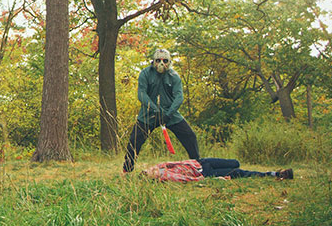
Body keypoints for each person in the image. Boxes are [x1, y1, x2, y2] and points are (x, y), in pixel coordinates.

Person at [122, 48, 200, 173]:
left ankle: (197, 167)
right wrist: (154, 109)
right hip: (148, 115)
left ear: (169, 62)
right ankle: (127, 170)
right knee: (134, 140)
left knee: (190, 136)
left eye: (165, 60)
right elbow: (141, 94)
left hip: (170, 114)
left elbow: (179, 97)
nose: (161, 63)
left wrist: (168, 114)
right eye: (158, 60)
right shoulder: (145, 73)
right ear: (153, 61)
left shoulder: (174, 76)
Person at [141, 158, 294, 182]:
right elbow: (185, 179)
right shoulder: (164, 175)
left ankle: (275, 173)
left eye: (148, 169)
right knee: (238, 173)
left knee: (235, 163)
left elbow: (175, 161)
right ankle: (276, 174)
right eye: (149, 173)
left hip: (200, 163)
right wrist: (202, 179)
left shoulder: (160, 166)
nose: (151, 170)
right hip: (203, 173)